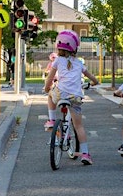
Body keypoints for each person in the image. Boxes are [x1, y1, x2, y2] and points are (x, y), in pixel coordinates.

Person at [43, 29, 99, 165]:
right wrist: (94, 82)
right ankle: (85, 154)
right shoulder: (79, 63)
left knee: (50, 96)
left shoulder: (57, 61)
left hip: (61, 93)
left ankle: (51, 120)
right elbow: (93, 78)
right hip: (75, 97)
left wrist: (46, 88)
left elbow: (50, 77)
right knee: (79, 126)